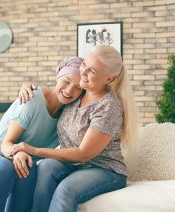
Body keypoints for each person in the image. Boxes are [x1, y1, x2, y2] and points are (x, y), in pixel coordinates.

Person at [14, 45, 138, 212]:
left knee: (66, 189)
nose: (83, 72)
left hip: (105, 169)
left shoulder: (108, 107)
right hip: (75, 165)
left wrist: (35, 150)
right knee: (45, 168)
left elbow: (83, 153)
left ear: (109, 78)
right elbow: (53, 94)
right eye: (84, 64)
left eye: (91, 71)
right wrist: (28, 87)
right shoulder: (78, 92)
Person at [0, 57, 84, 212]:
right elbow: (6, 143)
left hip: (21, 164)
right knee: (4, 168)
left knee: (29, 170)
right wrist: (17, 153)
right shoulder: (33, 98)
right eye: (67, 80)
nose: (70, 90)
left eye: (78, 87)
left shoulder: (69, 115)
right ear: (58, 75)